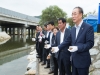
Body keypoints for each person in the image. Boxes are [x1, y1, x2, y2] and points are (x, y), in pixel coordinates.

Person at [51, 7, 94, 75]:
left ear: (80, 15)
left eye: (75, 14)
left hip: (83, 62)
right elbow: (67, 40)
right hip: (74, 61)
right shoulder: (73, 29)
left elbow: (90, 43)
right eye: (72, 14)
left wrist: (77, 48)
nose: (73, 16)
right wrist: (58, 47)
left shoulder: (88, 27)